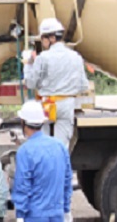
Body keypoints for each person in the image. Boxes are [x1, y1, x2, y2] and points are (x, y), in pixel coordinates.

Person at [23, 18, 89, 147]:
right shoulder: (75, 56)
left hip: (48, 104)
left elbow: (30, 84)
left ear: (51, 38)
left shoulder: (43, 58)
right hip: (67, 104)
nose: (42, 42)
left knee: (43, 143)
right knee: (62, 146)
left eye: (43, 38)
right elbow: (83, 86)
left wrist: (28, 64)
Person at [11, 101, 73, 222]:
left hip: (35, 215)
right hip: (57, 213)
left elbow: (23, 185)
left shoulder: (25, 151)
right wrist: (66, 209)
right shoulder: (59, 146)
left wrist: (20, 215)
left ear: (23, 122)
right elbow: (67, 180)